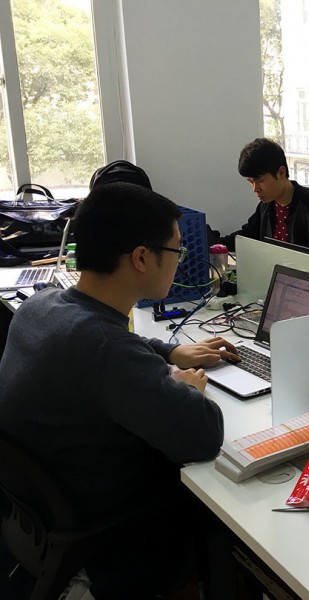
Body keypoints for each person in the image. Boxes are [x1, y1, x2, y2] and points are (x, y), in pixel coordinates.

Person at [0, 182, 241, 599]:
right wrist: (187, 389)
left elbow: (110, 343)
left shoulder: (42, 305)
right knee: (225, 510)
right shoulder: (107, 350)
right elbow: (203, 434)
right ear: (142, 258)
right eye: (177, 250)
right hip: (117, 535)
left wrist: (171, 351)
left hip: (35, 523)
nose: (180, 260)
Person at [212, 138, 309, 258]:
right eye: (251, 182)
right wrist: (214, 244)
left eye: (260, 181)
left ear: (281, 172)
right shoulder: (266, 205)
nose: (255, 188)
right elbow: (246, 235)